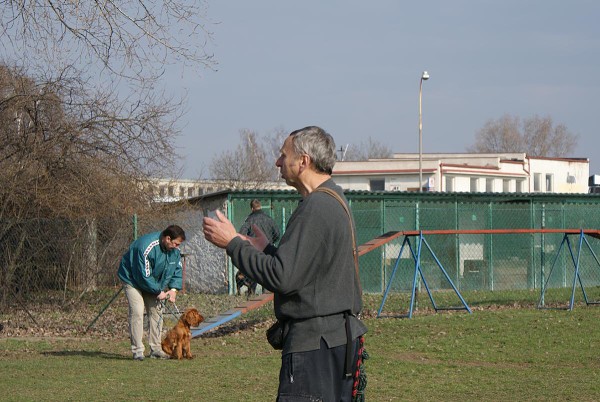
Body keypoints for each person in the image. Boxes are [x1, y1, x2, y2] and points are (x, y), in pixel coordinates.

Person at [203, 126, 367, 401]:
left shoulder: (316, 207)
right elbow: (304, 271)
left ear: (303, 161)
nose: (278, 162)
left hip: (316, 348)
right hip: (332, 342)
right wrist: (266, 249)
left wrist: (232, 243)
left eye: (283, 155)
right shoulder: (333, 198)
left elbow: (282, 277)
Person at [117, 224, 186, 361]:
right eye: (176, 243)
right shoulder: (146, 247)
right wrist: (158, 291)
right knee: (137, 311)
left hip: (153, 282)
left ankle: (155, 349)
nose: (177, 247)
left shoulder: (174, 252)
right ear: (167, 239)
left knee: (156, 312)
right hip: (132, 279)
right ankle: (137, 350)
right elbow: (143, 275)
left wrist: (173, 290)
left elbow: (176, 270)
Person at [237, 199, 280, 295]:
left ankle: (252, 295)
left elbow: (241, 234)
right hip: (267, 250)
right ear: (260, 207)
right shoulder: (269, 218)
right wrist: (270, 243)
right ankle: (266, 294)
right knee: (266, 273)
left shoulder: (249, 220)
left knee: (254, 274)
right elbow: (277, 234)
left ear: (252, 208)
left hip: (254, 251)